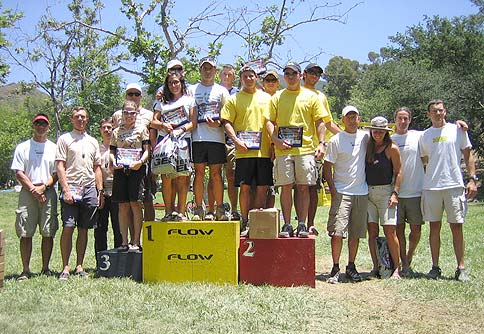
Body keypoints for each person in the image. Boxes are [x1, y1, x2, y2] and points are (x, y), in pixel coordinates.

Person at [265, 61, 327, 237]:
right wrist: (275, 140)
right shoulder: (277, 97)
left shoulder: (312, 96)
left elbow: (319, 122)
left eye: (294, 74)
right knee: (285, 187)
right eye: (287, 74)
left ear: (300, 76)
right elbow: (269, 121)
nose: (290, 77)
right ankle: (286, 224)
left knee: (303, 187)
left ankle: (301, 224)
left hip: (305, 149)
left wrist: (321, 143)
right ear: (284, 77)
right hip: (283, 150)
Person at [419, 99, 477, 282]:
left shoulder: (457, 130)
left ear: (445, 112)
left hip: (454, 185)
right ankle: (435, 267)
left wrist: (472, 179)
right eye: (434, 111)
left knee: (456, 227)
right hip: (432, 187)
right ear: (428, 114)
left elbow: (468, 156)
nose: (438, 113)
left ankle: (461, 268)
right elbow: (424, 161)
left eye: (440, 110)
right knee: (434, 227)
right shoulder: (425, 136)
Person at [221, 65, 273, 234]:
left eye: (252, 76)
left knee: (262, 187)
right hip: (243, 152)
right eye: (245, 76)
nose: (249, 79)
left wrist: (273, 145)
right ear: (241, 79)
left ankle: (255, 221)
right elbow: (226, 121)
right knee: (244, 187)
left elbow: (273, 122)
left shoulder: (267, 98)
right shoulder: (234, 99)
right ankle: (245, 221)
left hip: (264, 152)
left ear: (256, 77)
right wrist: (235, 141)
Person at [56, 107, 104, 280]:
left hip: (89, 187)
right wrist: (66, 189)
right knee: (68, 227)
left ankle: (79, 266)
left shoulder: (92, 141)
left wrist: (99, 191)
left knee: (84, 228)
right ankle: (65, 267)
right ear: (72, 119)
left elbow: (97, 167)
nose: (80, 120)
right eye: (77, 117)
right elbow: (60, 165)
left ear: (87, 119)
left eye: (83, 117)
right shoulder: (64, 139)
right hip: (71, 187)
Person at [323, 105, 368, 283]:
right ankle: (335, 267)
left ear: (359, 118)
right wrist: (333, 189)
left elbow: (385, 138)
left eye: (354, 116)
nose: (351, 119)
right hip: (341, 191)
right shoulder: (336, 140)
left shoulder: (366, 137)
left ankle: (351, 266)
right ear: (342, 120)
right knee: (337, 232)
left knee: (355, 233)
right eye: (348, 117)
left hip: (361, 192)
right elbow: (327, 167)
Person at [11, 113, 58, 280]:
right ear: (33, 126)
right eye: (37, 123)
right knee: (25, 232)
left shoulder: (54, 147)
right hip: (27, 191)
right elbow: (19, 172)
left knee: (48, 231)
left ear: (48, 127)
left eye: (44, 124)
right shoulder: (23, 147)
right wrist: (33, 190)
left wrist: (43, 188)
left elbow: (56, 173)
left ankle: (46, 268)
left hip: (48, 191)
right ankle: (25, 270)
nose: (40, 126)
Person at [297, 63, 340, 234]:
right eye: (312, 73)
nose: (315, 76)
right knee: (299, 187)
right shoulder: (295, 92)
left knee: (314, 187)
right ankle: (299, 222)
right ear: (304, 74)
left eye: (318, 74)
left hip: (316, 150)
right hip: (296, 148)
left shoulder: (321, 96)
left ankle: (310, 223)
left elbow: (328, 122)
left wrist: (348, 135)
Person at [188, 56, 230, 221]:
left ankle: (219, 209)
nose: (207, 71)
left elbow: (227, 116)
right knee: (198, 174)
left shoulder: (222, 91)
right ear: (200, 70)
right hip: (197, 138)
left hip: (216, 138)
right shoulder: (191, 90)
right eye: (204, 68)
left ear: (215, 71)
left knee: (216, 174)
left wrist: (218, 123)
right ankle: (199, 209)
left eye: (210, 68)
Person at [152, 71, 197, 221]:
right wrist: (164, 125)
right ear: (167, 85)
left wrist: (181, 130)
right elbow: (153, 122)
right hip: (165, 142)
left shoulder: (189, 100)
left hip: (184, 141)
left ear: (182, 83)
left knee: (182, 177)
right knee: (167, 176)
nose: (174, 85)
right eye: (171, 82)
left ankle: (181, 212)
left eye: (176, 82)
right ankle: (168, 212)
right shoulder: (162, 102)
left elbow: (193, 122)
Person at [110, 100, 151, 252]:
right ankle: (124, 242)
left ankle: (136, 241)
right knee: (122, 205)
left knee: (135, 204)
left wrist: (140, 162)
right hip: (121, 170)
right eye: (126, 112)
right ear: (122, 114)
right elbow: (112, 151)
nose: (129, 115)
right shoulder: (116, 131)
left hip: (137, 169)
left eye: (132, 112)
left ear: (136, 114)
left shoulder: (142, 129)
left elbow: (147, 151)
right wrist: (113, 162)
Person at [365, 116, 402, 279]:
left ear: (386, 132)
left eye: (381, 131)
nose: (377, 134)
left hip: (386, 192)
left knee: (389, 231)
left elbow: (399, 171)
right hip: (368, 192)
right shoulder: (368, 147)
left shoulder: (391, 148)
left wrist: (395, 193)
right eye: (375, 131)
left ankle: (397, 268)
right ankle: (376, 267)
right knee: (372, 231)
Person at [113, 83, 155, 222]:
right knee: (128, 203)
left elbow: (153, 136)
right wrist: (113, 161)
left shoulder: (149, 114)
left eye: (136, 94)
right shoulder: (117, 115)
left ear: (141, 96)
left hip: (144, 163)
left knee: (147, 199)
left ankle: (149, 238)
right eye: (130, 94)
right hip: (123, 166)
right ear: (126, 96)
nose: (134, 96)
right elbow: (114, 140)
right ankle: (131, 240)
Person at [94, 117, 122, 255]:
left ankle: (119, 257)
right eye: (104, 127)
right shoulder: (95, 148)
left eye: (109, 127)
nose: (107, 130)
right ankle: (101, 258)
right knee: (100, 228)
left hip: (117, 192)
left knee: (119, 227)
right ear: (100, 130)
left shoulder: (119, 147)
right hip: (100, 192)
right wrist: (100, 191)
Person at [219, 64, 241, 221]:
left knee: (231, 175)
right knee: (214, 174)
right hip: (213, 137)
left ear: (234, 77)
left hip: (231, 140)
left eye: (230, 74)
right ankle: (213, 210)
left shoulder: (237, 94)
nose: (227, 76)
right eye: (224, 74)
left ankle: (234, 209)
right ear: (219, 75)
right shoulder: (212, 91)